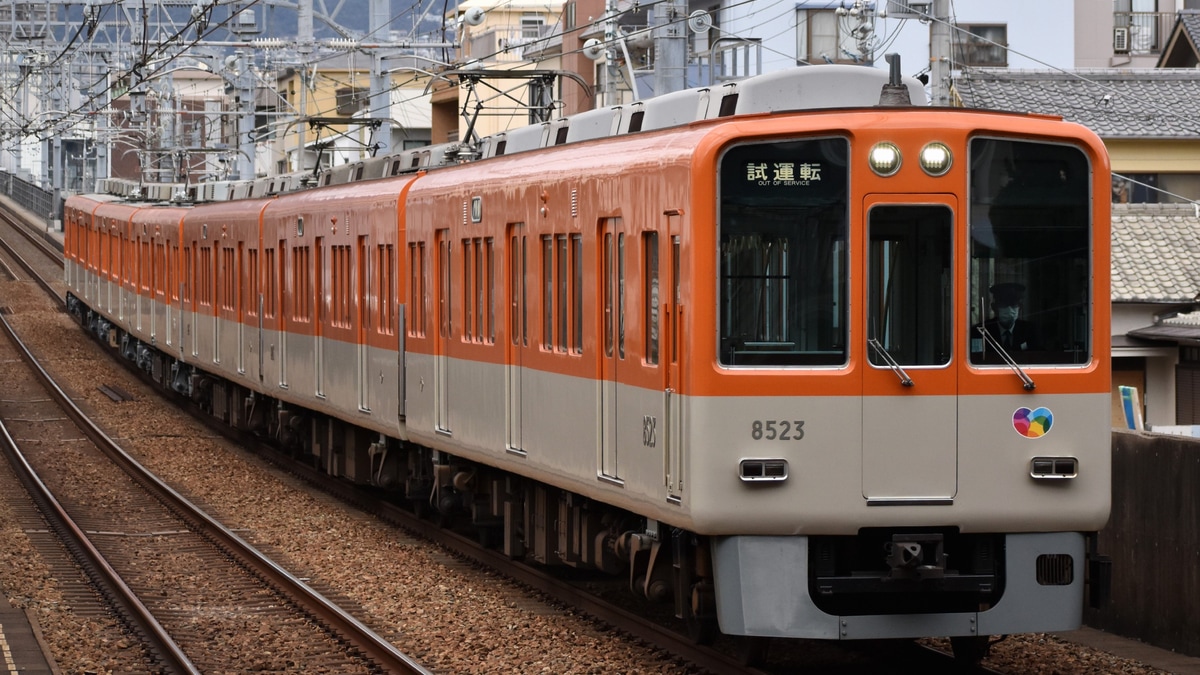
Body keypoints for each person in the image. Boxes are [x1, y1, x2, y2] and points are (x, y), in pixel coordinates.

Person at [978, 282, 1039, 353]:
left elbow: (1038, 357)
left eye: (1013, 304)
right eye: (1004, 304)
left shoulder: (1030, 331)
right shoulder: (981, 331)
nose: (1009, 309)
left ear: (1020, 307)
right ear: (994, 307)